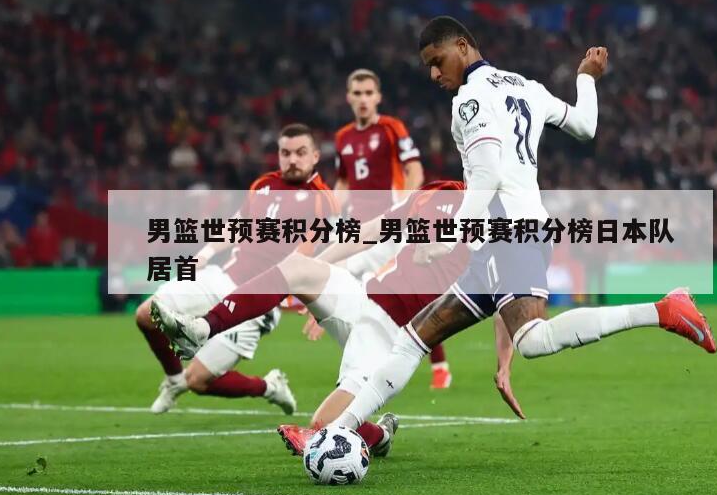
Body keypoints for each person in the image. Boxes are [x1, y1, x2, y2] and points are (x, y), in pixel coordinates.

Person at [318, 16, 717, 433]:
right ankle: (338, 431)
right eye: (429, 67)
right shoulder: (528, 87)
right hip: (509, 234)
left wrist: (450, 236)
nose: (434, 74)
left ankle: (663, 310)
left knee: (532, 339)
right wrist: (586, 78)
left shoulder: (469, 99)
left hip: (507, 230)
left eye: (437, 61)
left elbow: (487, 173)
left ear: (462, 46)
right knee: (412, 339)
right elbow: (586, 126)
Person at [151, 181, 481, 456]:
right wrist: (319, 276)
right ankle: (202, 328)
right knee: (298, 267)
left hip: (393, 335)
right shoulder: (436, 192)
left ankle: (379, 436)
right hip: (363, 298)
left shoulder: (495, 215)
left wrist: (504, 360)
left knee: (323, 424)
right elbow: (370, 231)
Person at [135, 123, 334, 414]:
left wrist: (318, 307)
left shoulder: (322, 200)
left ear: (315, 156)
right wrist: (205, 253)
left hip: (258, 301)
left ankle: (269, 387)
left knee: (198, 381)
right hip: (222, 277)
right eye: (286, 153)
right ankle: (174, 380)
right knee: (146, 314)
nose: (292, 160)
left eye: (300, 153)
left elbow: (308, 258)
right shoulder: (263, 184)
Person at [333, 68, 452, 389]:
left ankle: (439, 365)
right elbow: (343, 182)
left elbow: (415, 171)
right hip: (359, 229)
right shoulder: (343, 137)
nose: (363, 99)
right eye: (357, 93)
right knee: (354, 293)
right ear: (348, 97)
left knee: (411, 294)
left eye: (368, 93)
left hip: (390, 228)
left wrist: (405, 208)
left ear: (378, 97)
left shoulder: (391, 128)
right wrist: (331, 210)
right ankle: (364, 362)